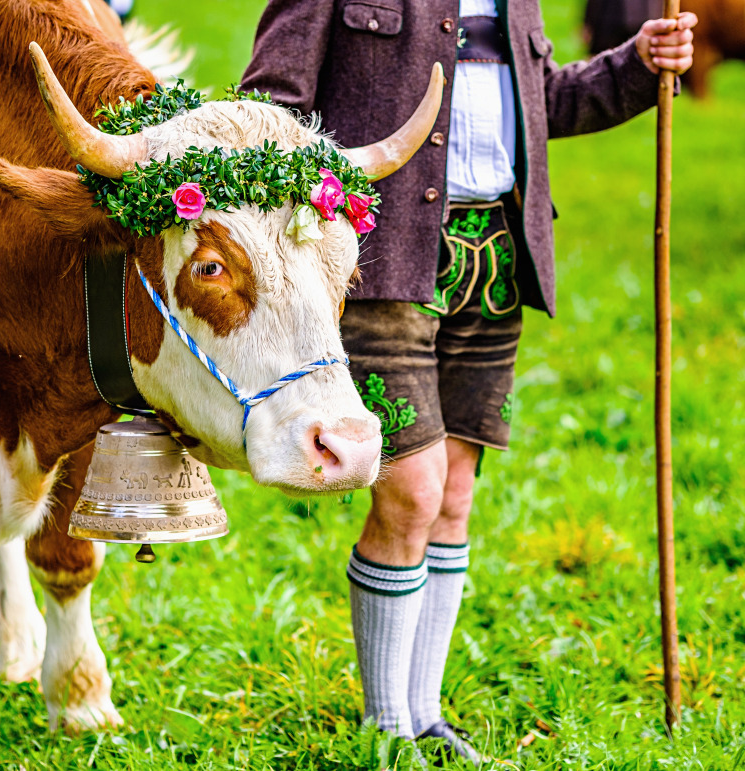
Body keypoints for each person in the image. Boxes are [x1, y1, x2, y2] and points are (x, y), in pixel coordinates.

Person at [241, 1, 696, 764]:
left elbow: (546, 102)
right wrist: (299, 229)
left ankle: (425, 715)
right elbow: (270, 107)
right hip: (379, 266)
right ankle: (387, 730)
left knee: (453, 494)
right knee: (412, 489)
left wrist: (639, 63)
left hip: (496, 261)